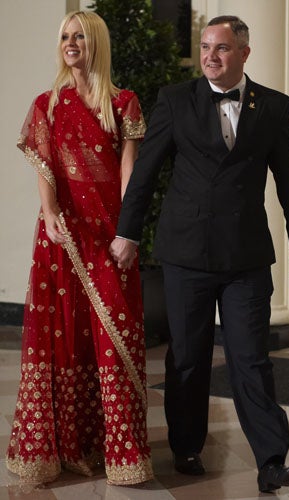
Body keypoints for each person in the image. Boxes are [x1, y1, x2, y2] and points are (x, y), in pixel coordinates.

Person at [110, 15, 289, 493]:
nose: (209, 56)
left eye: (221, 48)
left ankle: (270, 461)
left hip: (245, 258)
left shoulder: (273, 106)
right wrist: (128, 233)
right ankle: (186, 446)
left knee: (251, 358)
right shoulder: (176, 100)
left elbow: (288, 178)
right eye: (205, 47)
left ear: (244, 52)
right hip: (185, 254)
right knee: (187, 358)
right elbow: (144, 175)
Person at [6, 11, 153, 487]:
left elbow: (129, 172)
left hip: (111, 237)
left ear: (97, 44)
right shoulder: (48, 104)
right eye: (65, 37)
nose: (71, 44)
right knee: (64, 338)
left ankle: (121, 452)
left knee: (115, 339)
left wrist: (128, 232)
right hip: (64, 236)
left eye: (80, 37)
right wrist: (49, 217)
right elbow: (46, 168)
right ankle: (67, 446)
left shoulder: (123, 103)